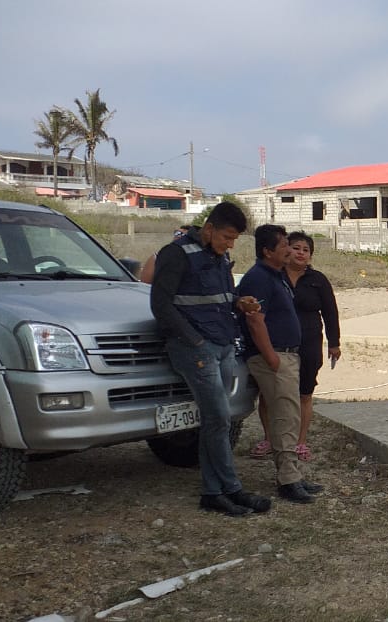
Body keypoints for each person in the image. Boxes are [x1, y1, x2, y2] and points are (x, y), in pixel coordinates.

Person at [150, 202, 272, 516]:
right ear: (209, 228)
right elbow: (161, 305)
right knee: (218, 419)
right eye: (226, 237)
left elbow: (222, 298)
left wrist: (239, 302)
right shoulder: (176, 253)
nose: (230, 245)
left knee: (216, 421)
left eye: (234, 240)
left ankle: (215, 491)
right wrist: (195, 341)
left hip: (222, 344)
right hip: (196, 349)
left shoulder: (220, 258)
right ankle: (227, 489)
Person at [236, 225, 326, 504]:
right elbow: (255, 319)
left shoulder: (276, 276)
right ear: (267, 251)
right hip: (274, 357)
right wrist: (272, 358)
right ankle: (288, 480)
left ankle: (293, 473)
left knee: (290, 414)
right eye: (285, 245)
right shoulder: (259, 278)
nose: (290, 249)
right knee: (285, 416)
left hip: (287, 355)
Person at [282, 231, 340, 461]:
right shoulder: (274, 276)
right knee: (273, 394)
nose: (301, 253)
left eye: (306, 250)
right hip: (278, 345)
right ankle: (270, 439)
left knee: (305, 393)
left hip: (309, 343)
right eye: (296, 248)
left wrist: (334, 343)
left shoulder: (318, 280)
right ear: (285, 250)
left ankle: (300, 442)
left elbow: (330, 312)